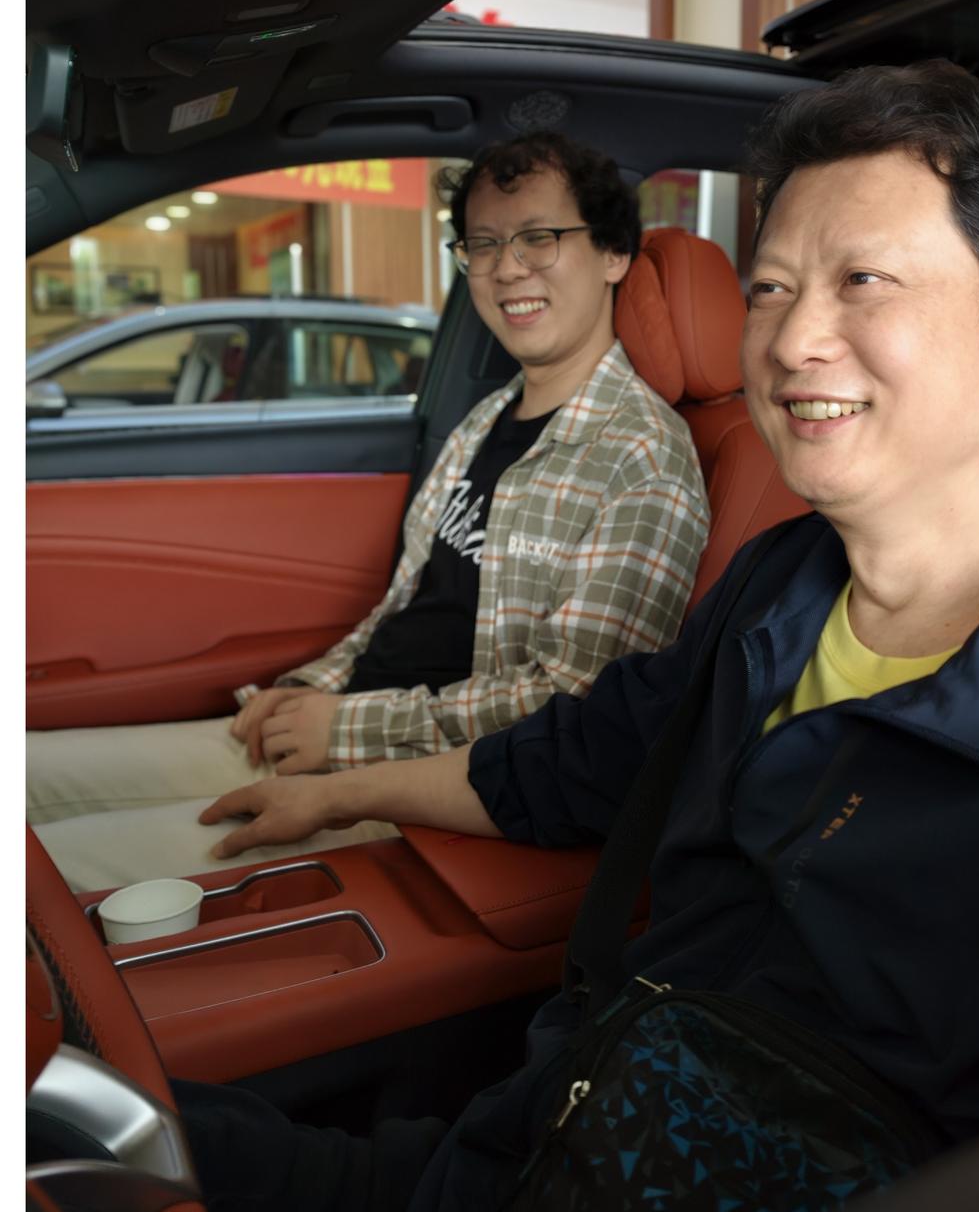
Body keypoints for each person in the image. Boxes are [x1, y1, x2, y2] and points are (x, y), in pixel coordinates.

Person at [179, 61, 979, 1212]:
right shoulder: (780, 582)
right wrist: (335, 793)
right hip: (538, 1154)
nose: (791, 340)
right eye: (770, 289)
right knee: (105, 1157)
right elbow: (578, 758)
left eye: (863, 281)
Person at [27, 133, 710, 890]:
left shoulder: (641, 458)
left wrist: (344, 731)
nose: (508, 266)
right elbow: (403, 607)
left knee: (42, 876)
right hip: (341, 733)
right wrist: (311, 692)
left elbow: (569, 712)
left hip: (425, 794)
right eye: (483, 244)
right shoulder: (487, 419)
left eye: (538, 237)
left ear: (612, 253)